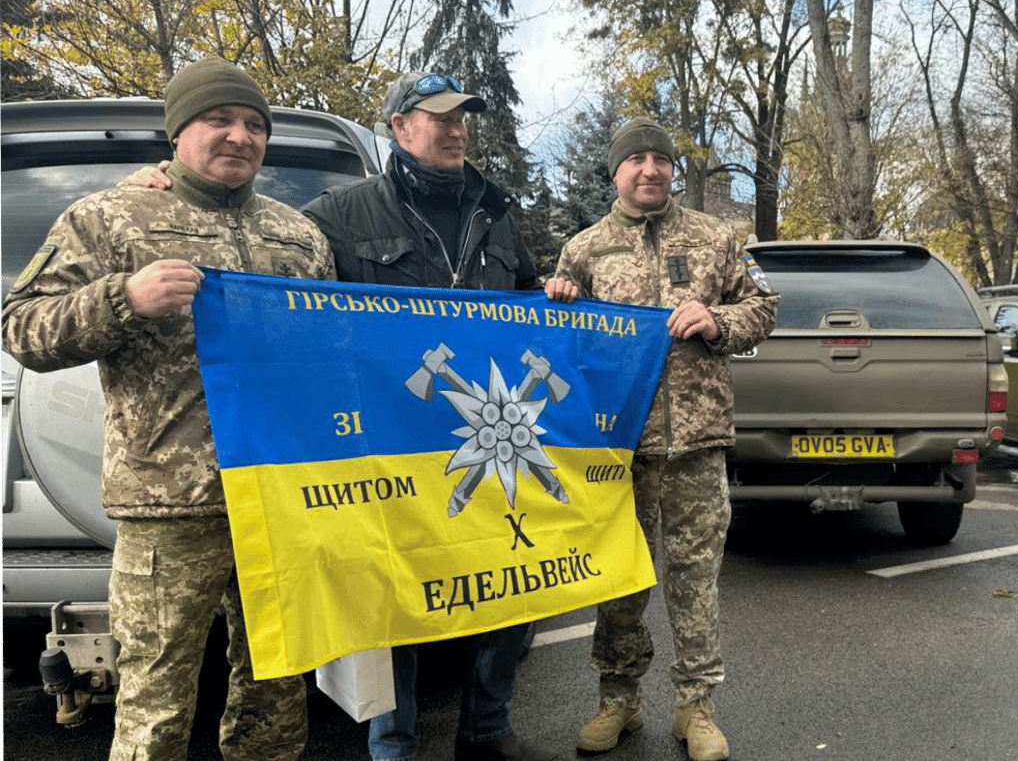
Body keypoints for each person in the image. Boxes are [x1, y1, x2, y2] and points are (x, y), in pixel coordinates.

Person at [1, 56, 330, 761]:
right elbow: (21, 328)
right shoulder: (111, 218)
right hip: (170, 504)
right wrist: (125, 297)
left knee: (278, 688)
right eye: (219, 119)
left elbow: (333, 352)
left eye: (253, 125)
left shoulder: (299, 237)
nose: (239, 136)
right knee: (155, 703)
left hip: (279, 496)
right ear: (178, 131)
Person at [301, 73, 571, 761]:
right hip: (387, 444)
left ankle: (485, 731)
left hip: (489, 438)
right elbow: (282, 298)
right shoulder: (341, 214)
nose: (456, 129)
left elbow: (527, 309)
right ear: (399, 126)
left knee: (510, 580)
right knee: (393, 593)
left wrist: (556, 295)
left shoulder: (497, 214)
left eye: (464, 118)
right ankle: (393, 742)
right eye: (440, 116)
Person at [553, 117, 778, 761]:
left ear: (671, 170)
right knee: (619, 582)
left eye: (660, 159)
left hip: (696, 447)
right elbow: (561, 349)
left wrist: (719, 319)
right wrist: (560, 302)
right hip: (618, 451)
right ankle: (618, 701)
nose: (649, 169)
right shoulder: (585, 250)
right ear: (616, 171)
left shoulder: (714, 237)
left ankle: (696, 708)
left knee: (695, 581)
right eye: (636, 159)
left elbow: (761, 308)